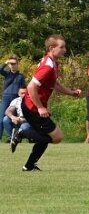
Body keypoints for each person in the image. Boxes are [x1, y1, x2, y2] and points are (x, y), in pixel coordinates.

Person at [10, 35, 83, 171]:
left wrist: (71, 92)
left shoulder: (53, 62)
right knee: (57, 137)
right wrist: (40, 107)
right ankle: (22, 133)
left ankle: (29, 166)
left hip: (32, 106)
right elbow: (31, 87)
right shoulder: (48, 66)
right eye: (61, 47)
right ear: (51, 48)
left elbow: (54, 83)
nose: (65, 50)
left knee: (44, 138)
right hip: (32, 108)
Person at [1, 54, 26, 142]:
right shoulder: (7, 74)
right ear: (9, 65)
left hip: (15, 98)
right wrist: (6, 62)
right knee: (1, 118)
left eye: (14, 63)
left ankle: (14, 137)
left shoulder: (21, 76)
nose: (13, 65)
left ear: (17, 64)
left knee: (15, 117)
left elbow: (24, 87)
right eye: (11, 64)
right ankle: (3, 138)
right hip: (6, 97)